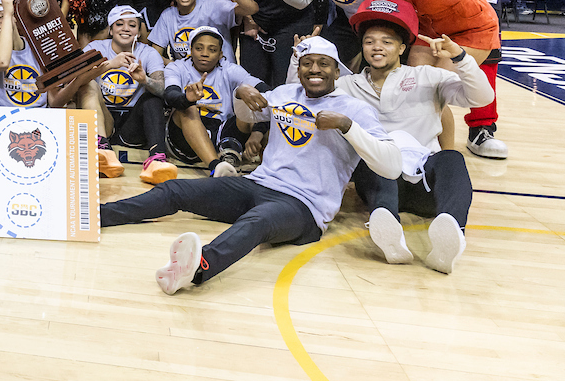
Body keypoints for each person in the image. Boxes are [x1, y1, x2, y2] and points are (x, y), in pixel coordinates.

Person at [100, 37, 402, 295]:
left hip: (305, 206)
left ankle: (197, 268)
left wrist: (347, 126)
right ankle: (98, 217)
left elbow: (390, 165)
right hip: (258, 184)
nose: (314, 70)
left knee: (257, 221)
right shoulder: (284, 94)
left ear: (337, 70)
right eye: (307, 63)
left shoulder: (355, 109)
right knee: (176, 190)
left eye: (323, 64)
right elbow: (248, 116)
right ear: (299, 69)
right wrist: (240, 94)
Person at [325, 0, 492, 273]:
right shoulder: (346, 86)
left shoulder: (428, 76)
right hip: (378, 182)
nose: (377, 47)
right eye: (370, 41)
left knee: (452, 158)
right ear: (362, 47)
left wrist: (460, 57)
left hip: (423, 184)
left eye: (387, 41)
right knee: (375, 156)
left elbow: (482, 97)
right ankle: (387, 228)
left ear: (402, 48)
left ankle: (450, 232)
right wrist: (300, 57)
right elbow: (304, 104)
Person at [361, 0, 504, 158]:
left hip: (471, 28)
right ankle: (420, 151)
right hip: (428, 32)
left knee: (434, 95)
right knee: (417, 92)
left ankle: (445, 160)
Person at [142, 26, 267, 182]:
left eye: (212, 50)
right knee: (188, 108)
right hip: (184, 135)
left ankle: (269, 167)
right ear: (190, 50)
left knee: (246, 94)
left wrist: (257, 133)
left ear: (221, 54)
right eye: (199, 48)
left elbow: (268, 94)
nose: (204, 54)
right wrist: (187, 99)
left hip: (221, 130)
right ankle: (217, 166)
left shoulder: (230, 69)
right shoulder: (177, 67)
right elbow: (170, 95)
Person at [80, 6, 169, 177]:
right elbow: (77, 82)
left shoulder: (148, 53)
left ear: (138, 31)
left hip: (133, 124)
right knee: (89, 85)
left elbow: (163, 89)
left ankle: (157, 160)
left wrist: (145, 80)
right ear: (111, 30)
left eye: (132, 25)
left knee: (153, 97)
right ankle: (102, 149)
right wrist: (110, 65)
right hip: (104, 118)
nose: (126, 28)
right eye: (119, 24)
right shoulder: (95, 48)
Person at [148, 0, 256, 61]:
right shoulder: (167, 16)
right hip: (189, 80)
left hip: (221, 74)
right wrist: (178, 68)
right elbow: (154, 55)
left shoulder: (213, 7)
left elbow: (252, 9)